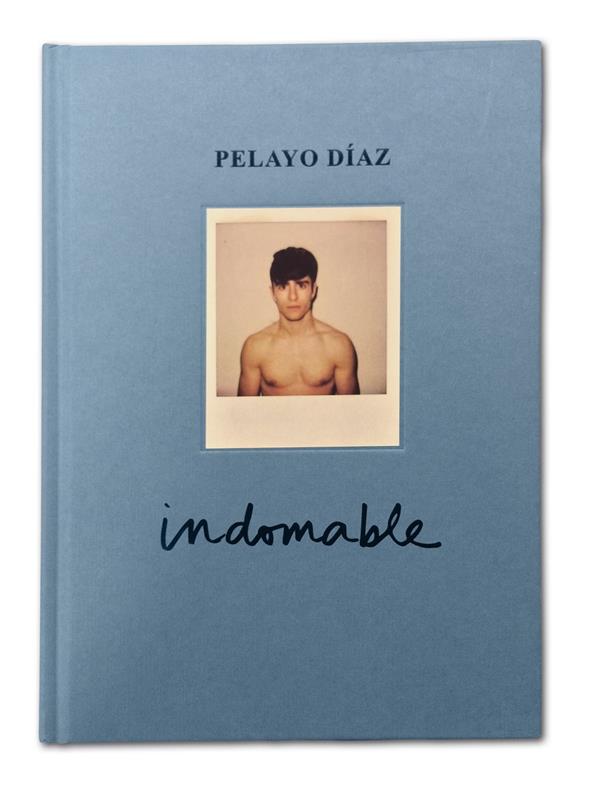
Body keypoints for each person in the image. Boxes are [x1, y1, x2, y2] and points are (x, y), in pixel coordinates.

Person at [238, 247, 360, 396]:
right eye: (283, 286)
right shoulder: (255, 348)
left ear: (313, 290)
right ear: (273, 293)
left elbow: (350, 409)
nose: (293, 297)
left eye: (301, 285)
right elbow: (243, 409)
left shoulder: (339, 346)